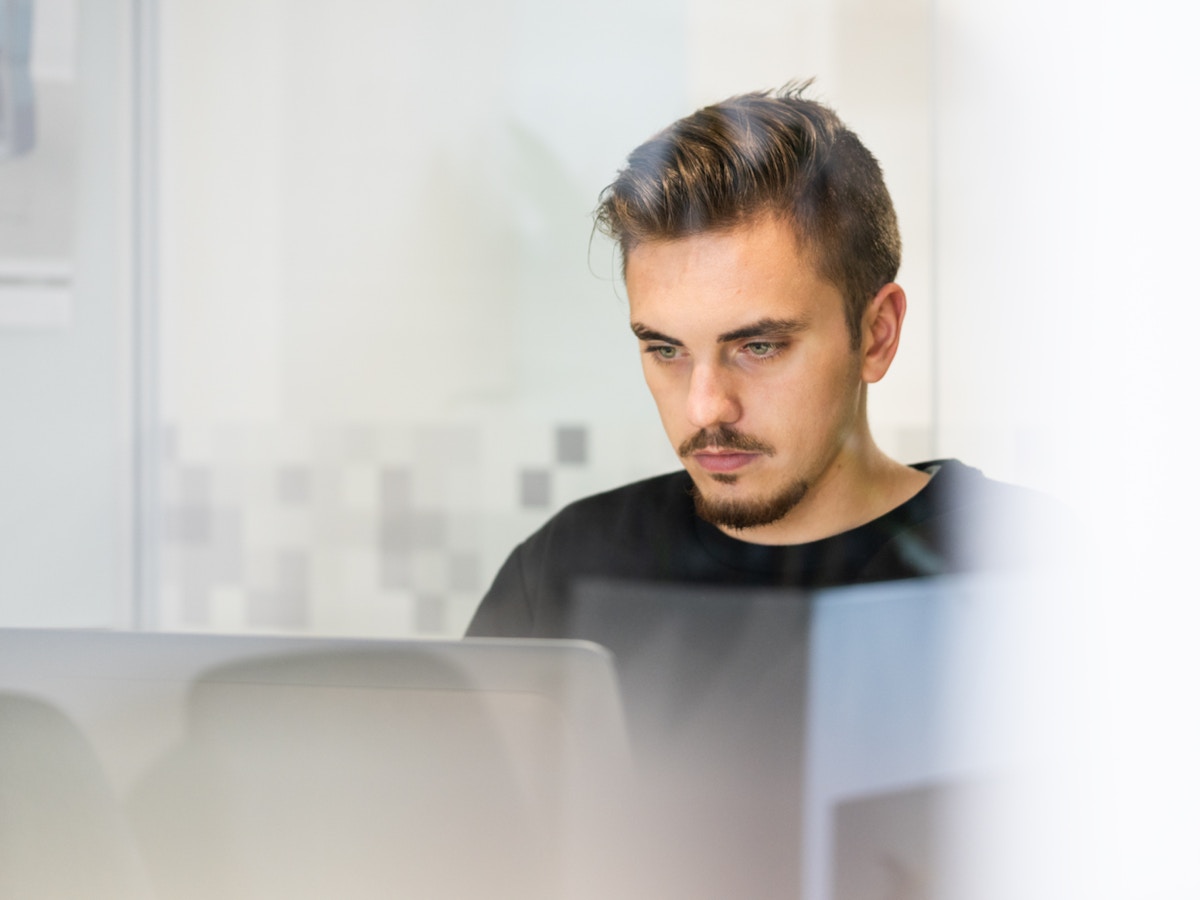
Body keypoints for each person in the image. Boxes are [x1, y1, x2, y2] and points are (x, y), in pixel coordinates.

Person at [466, 82, 1052, 640]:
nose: (704, 409)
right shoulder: (563, 570)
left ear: (876, 335)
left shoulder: (1026, 565)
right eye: (666, 350)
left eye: (758, 347)